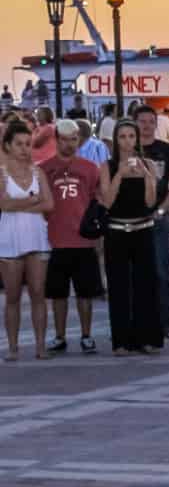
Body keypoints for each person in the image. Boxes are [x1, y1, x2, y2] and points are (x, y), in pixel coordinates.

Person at [99, 121, 163, 355]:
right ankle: (122, 341)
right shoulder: (107, 166)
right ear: (116, 140)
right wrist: (120, 175)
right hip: (117, 231)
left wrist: (148, 176)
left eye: (131, 136)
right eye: (123, 137)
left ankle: (147, 338)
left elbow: (150, 202)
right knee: (119, 286)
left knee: (146, 284)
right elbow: (107, 201)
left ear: (137, 139)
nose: (127, 141)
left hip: (143, 229)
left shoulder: (147, 164)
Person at [41, 120, 102, 355]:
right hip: (56, 239)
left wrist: (97, 236)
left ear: (79, 139)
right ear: (57, 139)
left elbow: (98, 200)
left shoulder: (90, 168)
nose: (69, 144)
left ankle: (86, 336)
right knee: (58, 294)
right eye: (64, 139)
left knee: (85, 293)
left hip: (83, 240)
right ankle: (60, 336)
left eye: (73, 138)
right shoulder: (45, 168)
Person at [0, 118, 53, 361]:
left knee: (38, 292)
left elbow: (49, 204)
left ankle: (41, 345)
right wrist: (33, 201)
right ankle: (12, 347)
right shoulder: (1, 172)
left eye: (28, 143)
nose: (24, 148)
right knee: (12, 296)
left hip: (36, 236)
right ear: (8, 145)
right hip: (10, 238)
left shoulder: (37, 171)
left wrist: (22, 205)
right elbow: (4, 204)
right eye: (19, 144)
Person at [134, 103, 169, 340]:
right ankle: (140, 320)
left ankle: (167, 322)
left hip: (157, 218)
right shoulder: (127, 149)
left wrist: (163, 209)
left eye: (150, 122)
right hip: (130, 218)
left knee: (160, 270)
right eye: (142, 122)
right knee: (134, 272)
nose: (146, 126)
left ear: (156, 124)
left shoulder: (167, 151)